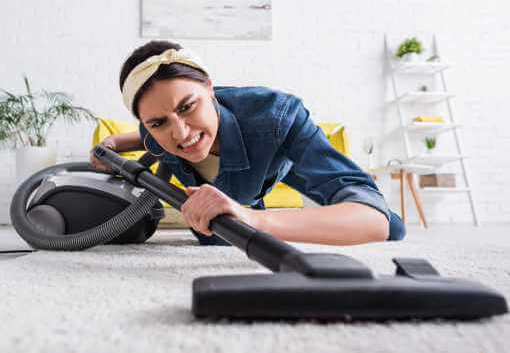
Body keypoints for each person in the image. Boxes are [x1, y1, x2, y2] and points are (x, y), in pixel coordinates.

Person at [90, 40, 406, 246]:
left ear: (210, 88)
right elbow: (146, 137)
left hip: (270, 157)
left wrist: (252, 218)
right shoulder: (155, 132)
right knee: (218, 239)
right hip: (235, 195)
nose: (181, 134)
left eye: (188, 106)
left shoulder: (278, 118)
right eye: (158, 123)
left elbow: (374, 221)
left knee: (393, 227)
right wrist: (114, 144)